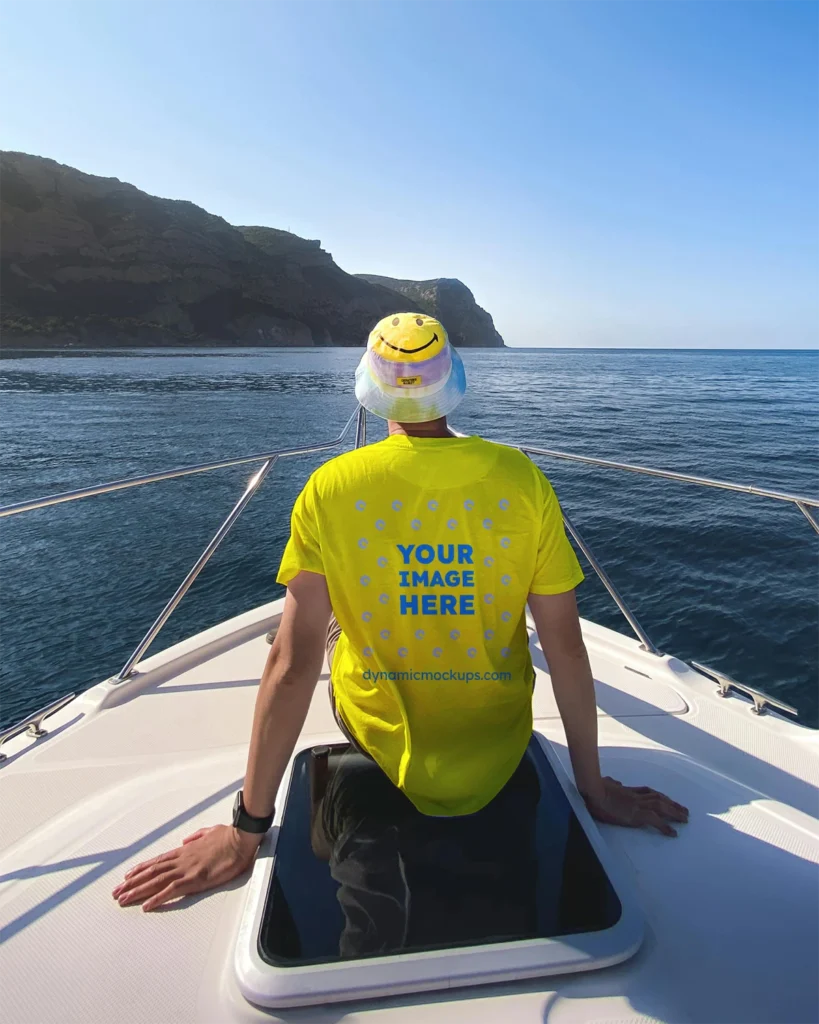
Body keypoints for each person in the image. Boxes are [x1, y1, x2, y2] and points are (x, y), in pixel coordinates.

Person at [112, 313, 688, 913]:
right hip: (497, 748)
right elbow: (565, 648)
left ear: (370, 384)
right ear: (453, 382)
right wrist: (593, 791)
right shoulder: (524, 482)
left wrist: (245, 831)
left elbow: (290, 664)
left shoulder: (330, 487)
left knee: (320, 630)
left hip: (379, 739)